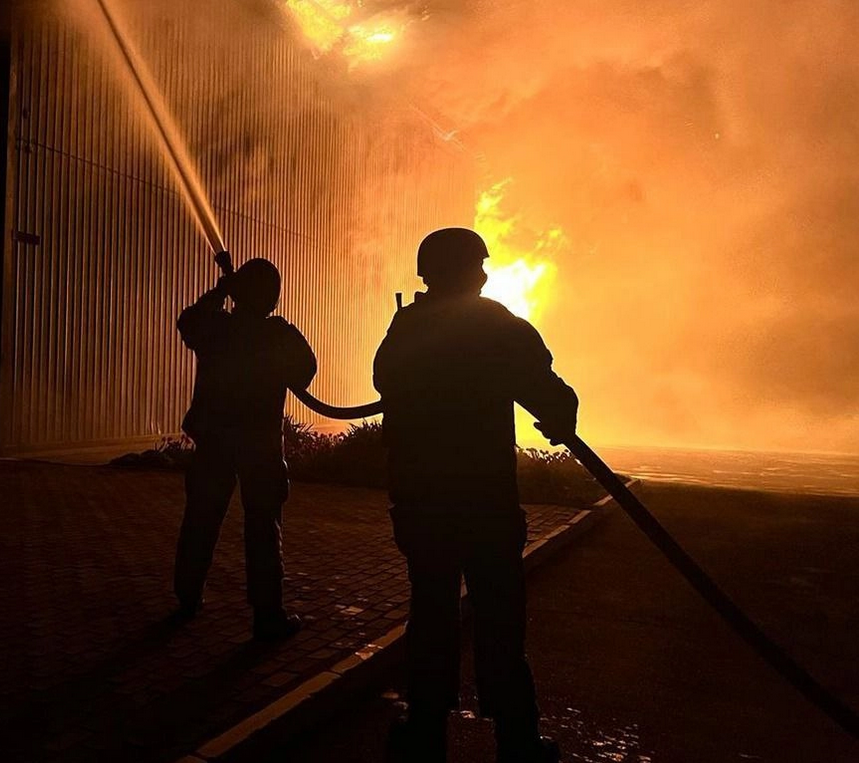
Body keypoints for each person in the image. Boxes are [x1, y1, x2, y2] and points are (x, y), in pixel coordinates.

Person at [373, 228, 579, 763]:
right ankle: (516, 738)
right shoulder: (496, 325)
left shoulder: (408, 326)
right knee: (500, 619)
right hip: (485, 501)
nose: (484, 274)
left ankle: (423, 732)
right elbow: (545, 385)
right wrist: (561, 414)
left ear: (427, 273)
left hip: (424, 501)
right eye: (478, 266)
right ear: (468, 271)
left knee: (432, 615)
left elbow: (385, 382)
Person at [174, 254, 316, 641]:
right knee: (263, 528)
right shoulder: (278, 334)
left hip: (214, 440)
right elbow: (306, 369)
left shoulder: (216, 328)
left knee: (201, 519)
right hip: (259, 444)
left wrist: (222, 288)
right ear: (272, 298)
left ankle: (187, 598)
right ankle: (267, 615)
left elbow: (188, 320)